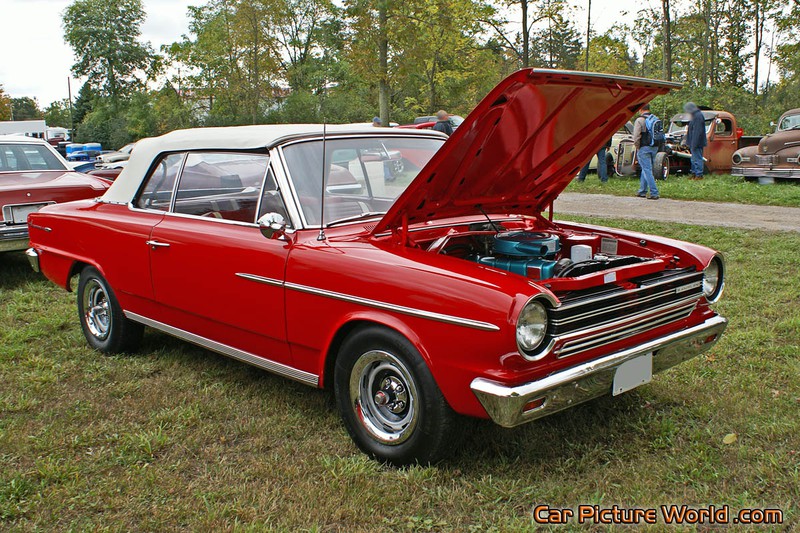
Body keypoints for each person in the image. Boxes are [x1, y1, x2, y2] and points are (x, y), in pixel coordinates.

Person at [633, 104, 660, 200]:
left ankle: (654, 192)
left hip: (644, 147)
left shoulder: (639, 120)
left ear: (640, 109)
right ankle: (642, 191)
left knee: (647, 170)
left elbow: (636, 136)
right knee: (646, 169)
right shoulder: (655, 118)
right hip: (654, 147)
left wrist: (637, 146)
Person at [684, 102, 707, 180]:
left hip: (697, 142)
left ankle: (699, 175)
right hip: (693, 142)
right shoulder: (694, 116)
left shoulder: (698, 116)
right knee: (693, 159)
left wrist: (694, 143)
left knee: (697, 158)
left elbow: (697, 131)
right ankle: (694, 173)